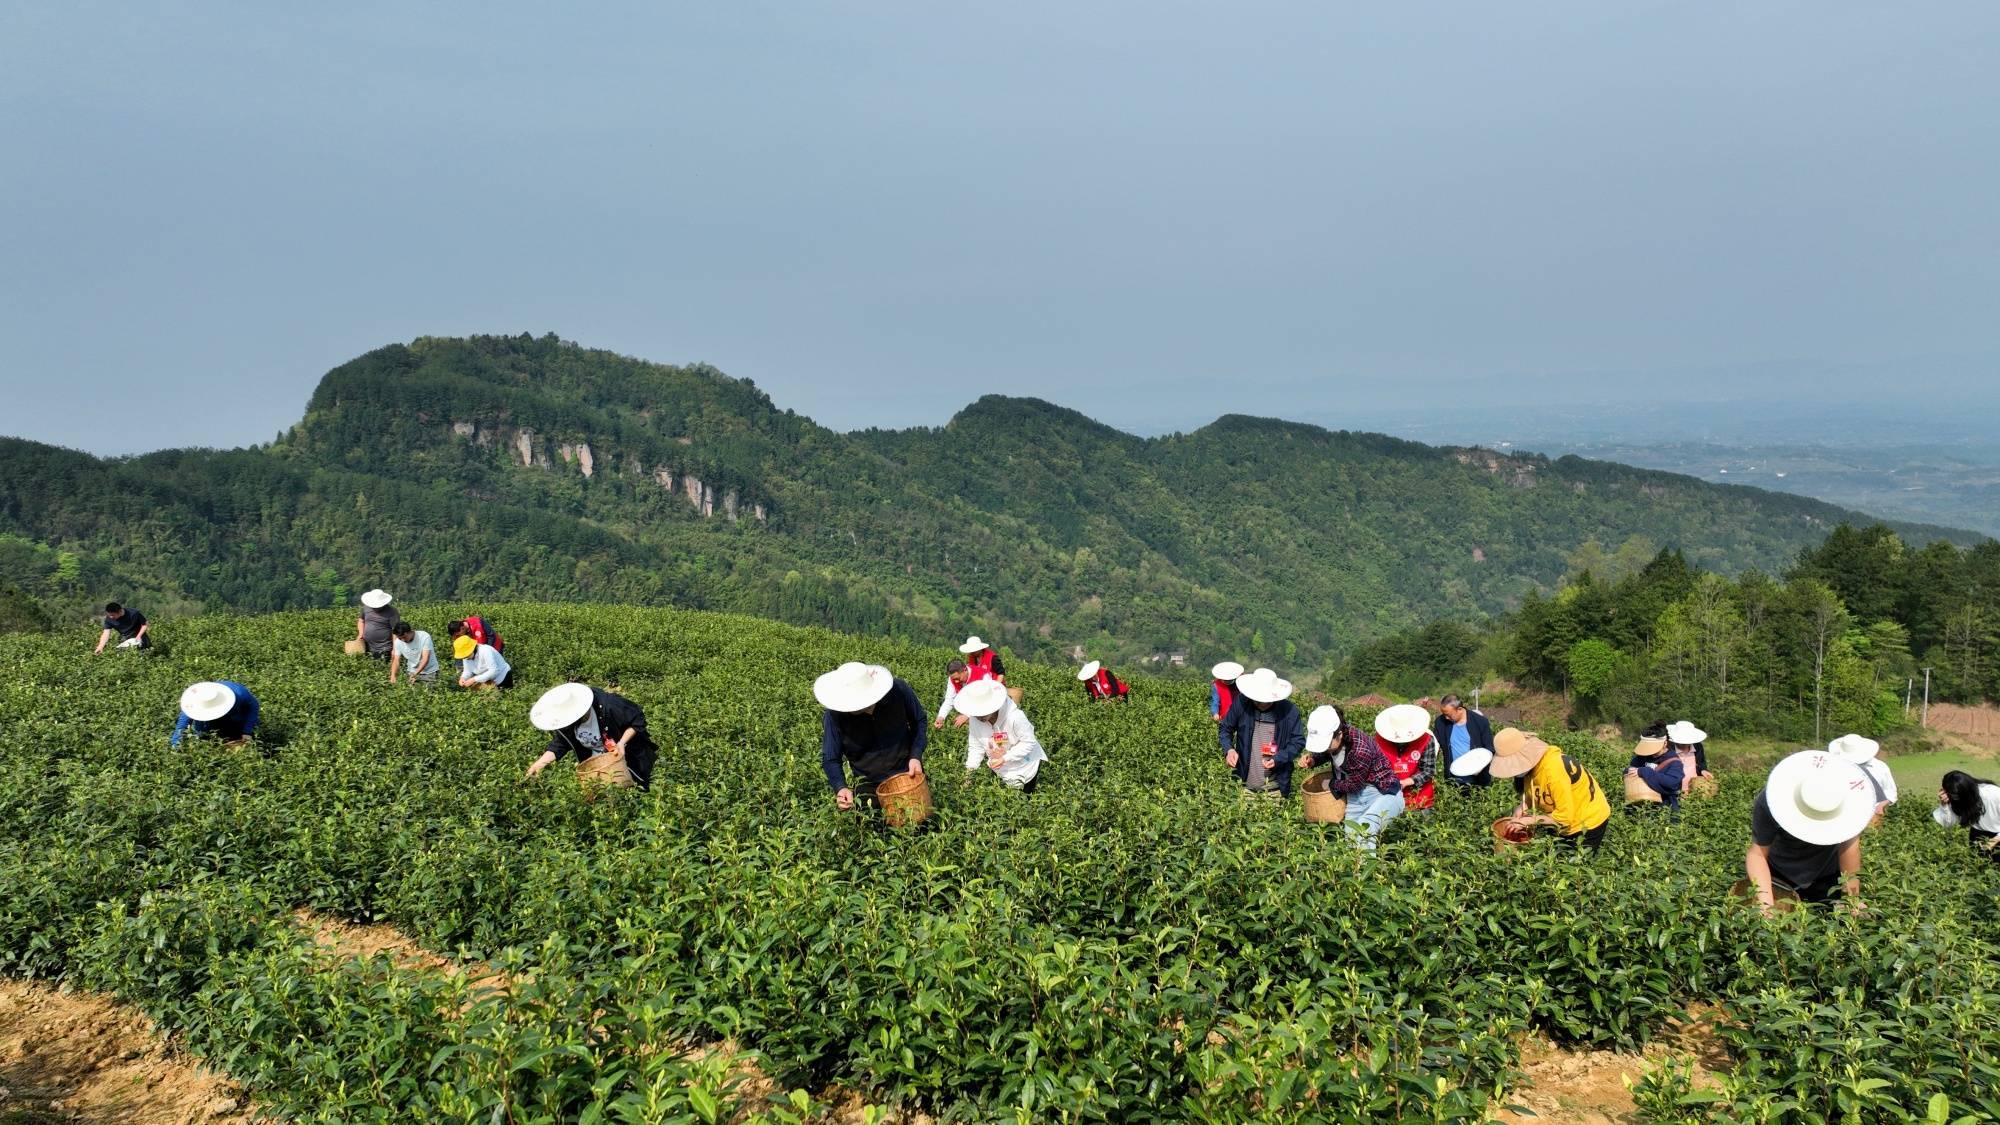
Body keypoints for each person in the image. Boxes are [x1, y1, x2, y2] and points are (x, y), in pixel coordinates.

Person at [1744, 749, 1873, 912]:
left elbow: (1849, 847)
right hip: (1780, 871)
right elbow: (1757, 854)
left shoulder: (1850, 802)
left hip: (1826, 872)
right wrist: (1765, 905)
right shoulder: (1771, 800)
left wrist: (1852, 900)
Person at [816, 661, 928, 810]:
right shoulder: (835, 715)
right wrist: (840, 787)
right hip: (868, 786)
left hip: (908, 774)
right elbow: (830, 758)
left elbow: (919, 720)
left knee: (921, 823)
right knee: (872, 827)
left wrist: (916, 755)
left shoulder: (898, 691)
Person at [1491, 728, 1612, 851]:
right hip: (1561, 821)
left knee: (1576, 864)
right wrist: (1523, 806)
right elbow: (1535, 790)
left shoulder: (1554, 771)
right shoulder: (1531, 768)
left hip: (1587, 823)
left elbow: (1564, 819)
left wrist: (1530, 820)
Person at [1303, 705, 1405, 847]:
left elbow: (1354, 784)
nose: (1326, 748)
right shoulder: (1336, 740)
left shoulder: (1360, 749)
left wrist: (1331, 784)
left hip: (1382, 792)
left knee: (1365, 830)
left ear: (1339, 734)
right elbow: (1329, 753)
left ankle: (1368, 869)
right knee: (1351, 839)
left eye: (1326, 744)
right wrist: (1314, 760)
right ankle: (1356, 869)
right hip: (1356, 795)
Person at [526, 682, 658, 790]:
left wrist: (622, 743)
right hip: (599, 764)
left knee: (636, 790)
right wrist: (539, 764)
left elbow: (637, 720)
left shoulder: (609, 705)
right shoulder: (568, 721)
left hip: (630, 757)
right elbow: (560, 743)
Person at [1218, 668, 1305, 799]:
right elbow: (1225, 728)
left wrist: (1279, 758)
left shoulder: (1289, 711)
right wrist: (1229, 749)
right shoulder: (1242, 704)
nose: (1261, 703)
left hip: (1276, 789)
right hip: (1244, 786)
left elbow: (1298, 742)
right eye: (1257, 699)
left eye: (1266, 700)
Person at [956, 677, 1047, 792]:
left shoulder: (1015, 717)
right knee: (999, 796)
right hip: (999, 767)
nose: (979, 717)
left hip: (1025, 765)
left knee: (1024, 799)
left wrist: (1005, 758)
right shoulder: (975, 719)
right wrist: (969, 772)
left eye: (982, 712)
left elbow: (1028, 742)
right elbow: (976, 746)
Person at [1373, 704, 1439, 812]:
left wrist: (1407, 782)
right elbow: (1375, 768)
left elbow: (1428, 770)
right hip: (1388, 797)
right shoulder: (1379, 740)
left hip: (1420, 798)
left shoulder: (1426, 740)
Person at [1827, 734, 1896, 824]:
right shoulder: (1836, 768)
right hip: (1842, 816)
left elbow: (1891, 792)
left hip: (1873, 815)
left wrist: (1880, 806)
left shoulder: (1880, 767)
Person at [1933, 770, 2000, 860]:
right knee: (1977, 867)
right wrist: (1945, 805)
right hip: (1978, 834)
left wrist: (1993, 841)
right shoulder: (1958, 797)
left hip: (1998, 835)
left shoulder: (1993, 794)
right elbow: (1948, 824)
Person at [170, 680, 259, 747]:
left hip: (235, 717)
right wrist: (176, 746)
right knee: (204, 738)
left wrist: (247, 731)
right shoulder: (192, 703)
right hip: (204, 724)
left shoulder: (239, 693)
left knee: (237, 737)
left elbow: (253, 707)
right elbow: (182, 726)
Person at [1431, 694, 1494, 787]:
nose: (1446, 718)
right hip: (1453, 779)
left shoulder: (1480, 722)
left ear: (1459, 709)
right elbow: (1434, 746)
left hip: (1477, 779)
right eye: (1444, 714)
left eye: (1448, 714)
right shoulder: (1441, 722)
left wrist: (1480, 767)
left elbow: (1489, 748)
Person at [1623, 727, 1685, 813]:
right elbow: (1631, 768)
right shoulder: (1643, 756)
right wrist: (1629, 771)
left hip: (1665, 807)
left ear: (1665, 744)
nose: (1651, 752)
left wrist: (1644, 772)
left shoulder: (1674, 762)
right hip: (1639, 805)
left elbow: (1672, 783)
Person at [1665, 720, 1714, 792]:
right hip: (1675, 790)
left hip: (1694, 788)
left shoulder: (1697, 746)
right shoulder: (1668, 749)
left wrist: (1703, 770)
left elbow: (1701, 761)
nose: (1684, 744)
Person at [355, 590, 401, 659]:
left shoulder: (392, 611)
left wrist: (394, 649)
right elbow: (361, 621)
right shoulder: (366, 608)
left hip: (384, 648)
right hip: (366, 646)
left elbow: (395, 631)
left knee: (381, 666)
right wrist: (361, 633)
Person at [933, 659, 973, 730]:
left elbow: (987, 701)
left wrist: (967, 716)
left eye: (958, 678)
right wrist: (941, 717)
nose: (956, 681)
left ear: (965, 670)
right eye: (953, 679)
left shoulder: (982, 677)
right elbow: (950, 699)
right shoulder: (953, 678)